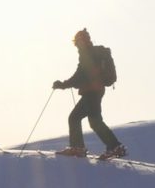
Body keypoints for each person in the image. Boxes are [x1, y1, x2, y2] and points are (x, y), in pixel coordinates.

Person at [53, 29, 127, 160]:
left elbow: (80, 76)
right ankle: (115, 146)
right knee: (95, 121)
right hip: (96, 91)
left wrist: (62, 85)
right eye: (77, 42)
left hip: (92, 92)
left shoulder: (88, 54)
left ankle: (78, 148)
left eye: (79, 41)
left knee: (74, 118)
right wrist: (65, 84)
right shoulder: (91, 54)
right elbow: (80, 76)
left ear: (85, 41)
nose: (78, 44)